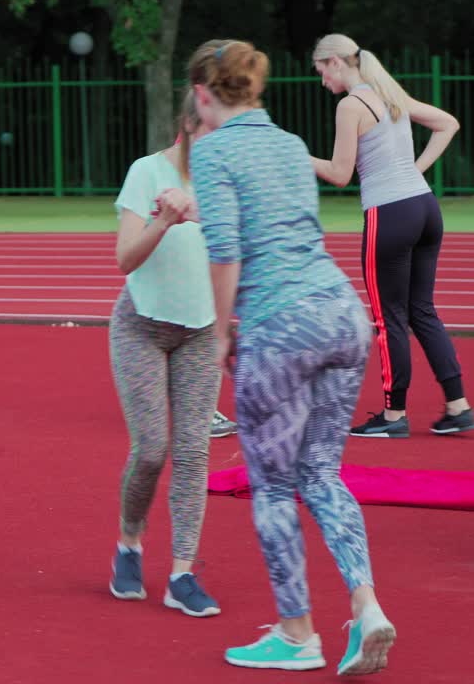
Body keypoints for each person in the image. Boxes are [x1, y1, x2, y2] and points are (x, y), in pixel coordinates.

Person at [187, 38, 395, 675]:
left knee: (274, 486)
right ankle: (366, 606)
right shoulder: (285, 143)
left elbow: (224, 250)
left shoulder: (213, 151)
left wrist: (221, 334)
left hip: (278, 325)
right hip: (341, 314)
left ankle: (297, 633)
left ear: (201, 94)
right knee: (323, 474)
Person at [309, 34, 474, 439]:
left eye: (320, 72)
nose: (321, 81)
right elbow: (447, 123)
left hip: (390, 213)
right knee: (422, 310)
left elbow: (339, 173)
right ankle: (458, 405)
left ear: (334, 62)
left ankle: (393, 415)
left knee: (388, 319)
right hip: (424, 208)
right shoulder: (389, 93)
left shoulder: (351, 105)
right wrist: (416, 169)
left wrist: (291, 152)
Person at [108, 90, 223, 617]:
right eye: (212, 128)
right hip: (142, 327)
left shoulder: (225, 183)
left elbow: (233, 261)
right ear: (188, 124)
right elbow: (125, 259)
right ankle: (129, 544)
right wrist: (165, 220)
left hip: (200, 332)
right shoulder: (147, 172)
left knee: (195, 452)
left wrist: (228, 326)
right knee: (153, 449)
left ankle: (181, 573)